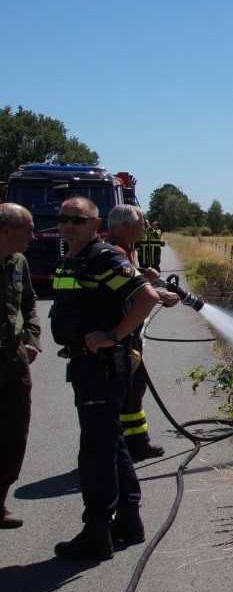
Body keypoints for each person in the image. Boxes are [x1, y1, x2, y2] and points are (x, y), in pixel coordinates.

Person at [49, 196, 161, 560]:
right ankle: (128, 521)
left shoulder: (104, 258)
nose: (68, 225)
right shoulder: (73, 258)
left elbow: (146, 298)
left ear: (95, 224)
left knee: (95, 452)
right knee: (111, 443)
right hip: (86, 364)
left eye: (77, 220)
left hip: (102, 367)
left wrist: (114, 335)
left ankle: (96, 532)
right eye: (64, 218)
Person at [106, 205, 180, 461]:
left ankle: (137, 443)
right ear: (125, 227)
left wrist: (144, 276)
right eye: (141, 226)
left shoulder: (127, 250)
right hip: (121, 337)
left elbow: (130, 283)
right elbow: (127, 291)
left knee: (134, 389)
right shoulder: (114, 253)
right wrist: (160, 294)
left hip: (129, 336)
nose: (144, 230)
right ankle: (120, 448)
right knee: (124, 392)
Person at [0, 203, 40, 529]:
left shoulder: (19, 262)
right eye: (28, 230)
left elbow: (29, 302)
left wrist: (32, 338)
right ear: (5, 231)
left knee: (14, 433)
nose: (33, 236)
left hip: (12, 360)